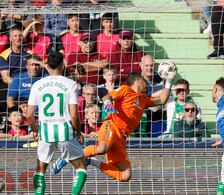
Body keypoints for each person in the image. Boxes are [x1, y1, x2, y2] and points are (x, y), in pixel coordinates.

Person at [51, 71, 176, 183]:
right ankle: (68, 156)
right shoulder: (125, 89)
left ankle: (90, 161)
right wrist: (108, 103)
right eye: (143, 81)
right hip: (112, 126)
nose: (146, 84)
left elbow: (162, 100)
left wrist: (169, 80)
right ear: (138, 81)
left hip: (122, 138)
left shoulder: (143, 99)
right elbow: (107, 94)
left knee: (125, 175)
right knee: (102, 148)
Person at [26, 52, 87, 195]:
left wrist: (35, 130)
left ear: (47, 64)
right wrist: (78, 133)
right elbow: (73, 114)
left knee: (40, 169)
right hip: (65, 131)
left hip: (45, 132)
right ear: (62, 64)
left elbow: (29, 115)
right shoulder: (71, 84)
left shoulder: (37, 84)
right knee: (81, 167)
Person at [0, 27, 31, 113]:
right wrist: (21, 85)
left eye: (20, 35)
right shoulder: (4, 55)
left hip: (28, 84)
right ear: (10, 38)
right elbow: (6, 78)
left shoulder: (30, 54)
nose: (18, 38)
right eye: (15, 36)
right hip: (12, 86)